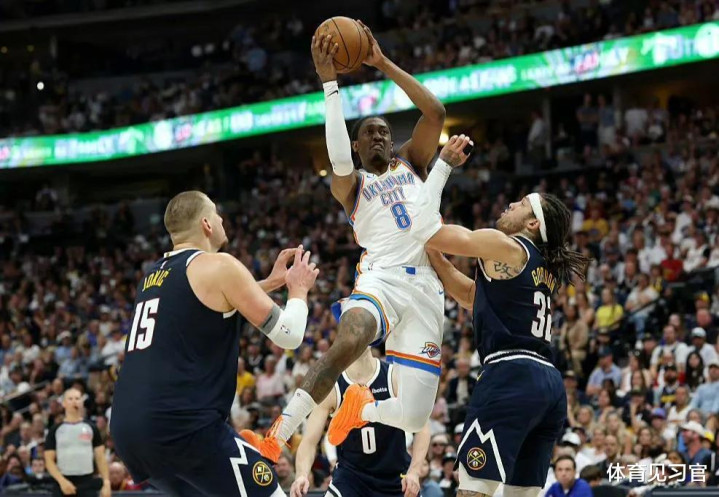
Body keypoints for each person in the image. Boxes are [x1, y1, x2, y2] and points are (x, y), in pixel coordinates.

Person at [251, 21, 447, 461]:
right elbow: (338, 159)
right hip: (381, 279)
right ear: (357, 146)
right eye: (369, 133)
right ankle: (276, 437)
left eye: (384, 131)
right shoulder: (352, 184)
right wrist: (330, 85)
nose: (379, 136)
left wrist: (381, 62)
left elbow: (435, 113)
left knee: (415, 416)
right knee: (349, 340)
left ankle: (362, 407)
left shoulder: (412, 162)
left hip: (426, 288)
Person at [408, 136, 590, 496]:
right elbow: (472, 296)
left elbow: (423, 230)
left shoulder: (506, 245)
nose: (510, 204)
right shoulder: (540, 266)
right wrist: (438, 258)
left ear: (532, 224)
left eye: (521, 204)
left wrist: (442, 166)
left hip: (511, 375)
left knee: (472, 490)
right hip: (548, 385)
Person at [110, 191, 319, 497]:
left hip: (130, 433)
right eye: (217, 214)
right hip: (183, 426)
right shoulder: (218, 264)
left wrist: (268, 285)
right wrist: (298, 290)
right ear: (207, 224)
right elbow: (289, 334)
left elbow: (214, 302)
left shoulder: (153, 275)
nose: (222, 219)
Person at [290, 347, 430, 497]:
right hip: (351, 478)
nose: (358, 338)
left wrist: (414, 472)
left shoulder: (394, 376)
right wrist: (301, 475)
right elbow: (309, 441)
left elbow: (423, 428)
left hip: (395, 476)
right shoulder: (332, 387)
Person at [44, 388, 110, 497]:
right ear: (64, 403)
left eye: (77, 398)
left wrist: (106, 482)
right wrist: (61, 481)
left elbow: (100, 457)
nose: (74, 401)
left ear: (82, 402)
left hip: (87, 481)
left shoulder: (91, 428)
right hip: (63, 481)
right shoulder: (55, 430)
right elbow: (49, 460)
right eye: (70, 399)